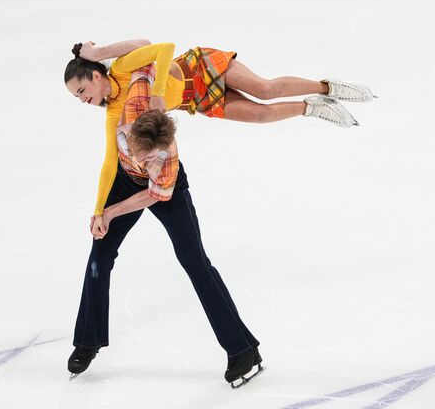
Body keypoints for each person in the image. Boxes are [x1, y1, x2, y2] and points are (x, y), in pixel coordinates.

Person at [67, 60, 263, 387]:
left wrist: (110, 213)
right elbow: (148, 54)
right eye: (141, 156)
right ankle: (87, 341)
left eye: (149, 161)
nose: (145, 162)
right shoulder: (136, 99)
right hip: (124, 181)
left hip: (162, 194)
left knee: (195, 262)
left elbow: (154, 194)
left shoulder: (166, 159)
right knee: (99, 257)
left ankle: (243, 349)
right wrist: (99, 53)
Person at [64, 41, 375, 239]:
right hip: (196, 100)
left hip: (199, 67)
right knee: (260, 116)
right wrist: (98, 209)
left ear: (95, 76)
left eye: (80, 91)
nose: (81, 100)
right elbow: (109, 162)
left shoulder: (121, 67)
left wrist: (152, 89)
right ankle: (312, 108)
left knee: (265, 90)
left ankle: (327, 88)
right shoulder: (113, 112)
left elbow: (161, 47)